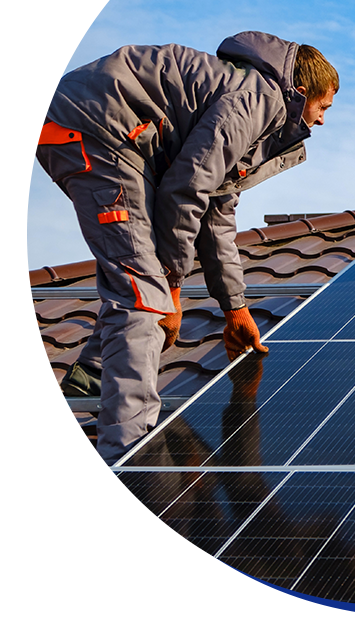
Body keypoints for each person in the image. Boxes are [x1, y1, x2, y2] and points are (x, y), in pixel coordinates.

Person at [30, 30, 338, 464]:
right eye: (323, 107)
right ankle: (133, 456)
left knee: (135, 262)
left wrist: (235, 308)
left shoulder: (249, 107)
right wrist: (173, 288)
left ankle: (95, 372)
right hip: (99, 131)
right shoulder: (257, 100)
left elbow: (216, 214)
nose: (323, 120)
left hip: (100, 133)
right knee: (145, 292)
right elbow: (186, 188)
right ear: (301, 91)